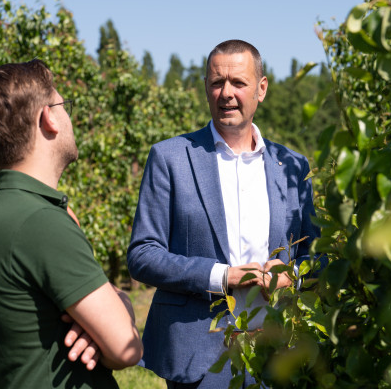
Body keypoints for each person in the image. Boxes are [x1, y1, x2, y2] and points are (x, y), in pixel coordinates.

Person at [127, 39, 322, 388]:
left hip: (276, 350)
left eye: (238, 83)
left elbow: (317, 255)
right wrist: (224, 277)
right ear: (206, 88)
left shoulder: (292, 166)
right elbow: (143, 255)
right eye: (217, 83)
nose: (226, 93)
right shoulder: (170, 158)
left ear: (261, 89)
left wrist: (292, 274)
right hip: (199, 354)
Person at [0, 59, 143, 389]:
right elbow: (126, 349)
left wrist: (95, 324)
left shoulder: (9, 210)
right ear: (48, 118)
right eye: (65, 106)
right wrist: (120, 303)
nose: (69, 117)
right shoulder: (42, 222)